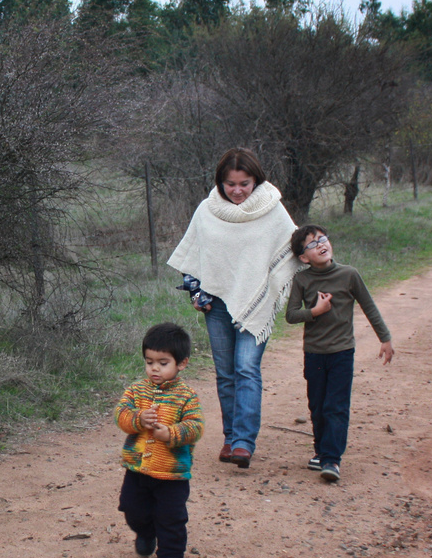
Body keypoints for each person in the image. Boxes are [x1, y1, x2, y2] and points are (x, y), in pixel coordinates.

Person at [166, 148, 300, 469]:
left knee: (246, 368)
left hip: (257, 302)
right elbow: (194, 256)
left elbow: (293, 248)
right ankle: (230, 437)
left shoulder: (272, 208)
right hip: (217, 304)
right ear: (220, 182)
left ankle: (243, 442)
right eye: (230, 184)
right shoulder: (207, 209)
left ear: (256, 180)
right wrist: (196, 292)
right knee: (226, 373)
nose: (238, 190)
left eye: (244, 183)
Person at [283, 223, 395, 483]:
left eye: (323, 239)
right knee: (317, 406)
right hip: (314, 353)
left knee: (336, 406)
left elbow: (369, 307)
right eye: (312, 244)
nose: (321, 245)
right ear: (303, 257)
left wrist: (385, 338)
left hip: (342, 352)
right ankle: (321, 451)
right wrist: (315, 311)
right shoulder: (302, 279)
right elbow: (290, 316)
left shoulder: (349, 274)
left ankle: (332, 459)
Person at [115, 322, 204, 558]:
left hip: (172, 473)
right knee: (131, 508)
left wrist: (172, 434)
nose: (154, 368)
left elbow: (195, 427)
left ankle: (170, 555)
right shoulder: (136, 390)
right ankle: (145, 531)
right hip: (137, 468)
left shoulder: (186, 396)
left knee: (171, 517)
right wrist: (137, 419)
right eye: (149, 361)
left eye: (163, 363)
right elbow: (121, 415)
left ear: (181, 363)